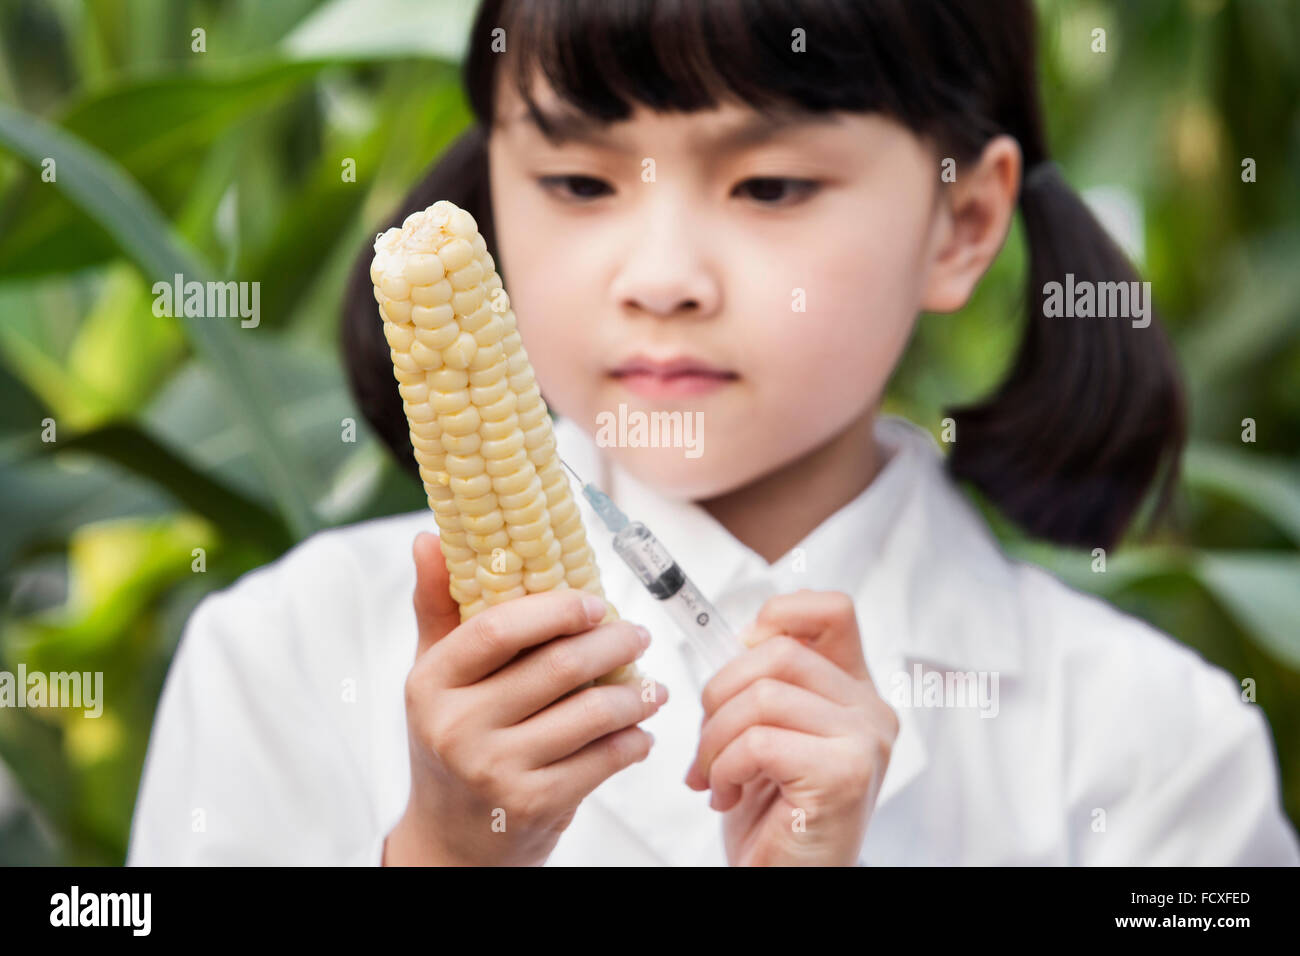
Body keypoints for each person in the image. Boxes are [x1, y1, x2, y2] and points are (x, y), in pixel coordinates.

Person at [127, 0, 1300, 866]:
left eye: (770, 186)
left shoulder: (1160, 749)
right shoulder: (280, 652)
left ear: (963, 220)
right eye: (580, 184)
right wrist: (444, 849)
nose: (663, 277)